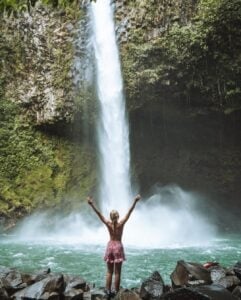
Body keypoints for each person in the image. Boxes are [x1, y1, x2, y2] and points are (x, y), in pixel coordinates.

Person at [87, 194, 141, 296]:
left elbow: (99, 214)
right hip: (118, 246)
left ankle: (107, 290)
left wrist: (91, 204)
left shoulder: (108, 223)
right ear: (118, 216)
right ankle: (115, 291)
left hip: (110, 246)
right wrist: (135, 201)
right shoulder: (121, 223)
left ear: (110, 217)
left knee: (109, 271)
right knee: (117, 272)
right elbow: (129, 212)